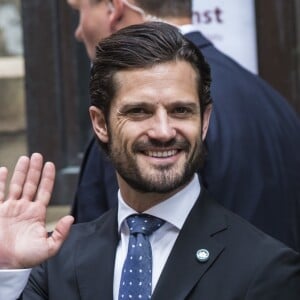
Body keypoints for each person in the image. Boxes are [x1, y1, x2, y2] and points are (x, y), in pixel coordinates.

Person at [0, 23, 299, 299]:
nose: (163, 131)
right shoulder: (56, 261)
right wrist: (9, 269)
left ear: (205, 120)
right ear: (100, 123)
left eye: (181, 111)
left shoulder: (265, 268)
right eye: (139, 111)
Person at [68, 0, 300, 252]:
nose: (79, 31)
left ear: (115, 9)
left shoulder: (128, 129)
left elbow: (97, 264)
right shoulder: (271, 100)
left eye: (80, 11)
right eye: (140, 111)